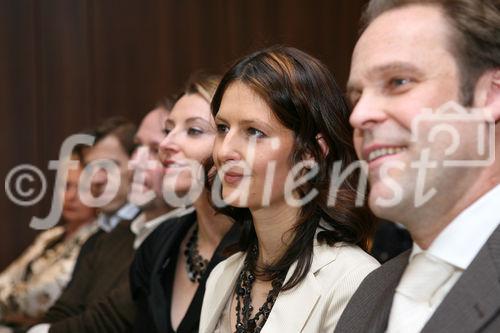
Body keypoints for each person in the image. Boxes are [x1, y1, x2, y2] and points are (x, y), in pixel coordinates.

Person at [335, 1, 500, 332]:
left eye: (398, 82)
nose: (358, 115)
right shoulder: (369, 295)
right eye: (356, 96)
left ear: (490, 96)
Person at [199, 46, 379, 333]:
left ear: (310, 154)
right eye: (222, 128)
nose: (225, 150)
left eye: (254, 132)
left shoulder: (354, 280)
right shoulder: (222, 276)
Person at [28, 103, 191, 333]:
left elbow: (111, 320)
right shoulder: (107, 236)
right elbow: (64, 309)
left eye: (109, 166)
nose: (96, 179)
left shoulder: (170, 238)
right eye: (91, 168)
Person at [130, 73, 241, 333]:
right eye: (168, 130)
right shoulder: (157, 243)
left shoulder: (260, 250)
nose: (166, 144)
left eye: (194, 130)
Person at [0, 147, 97, 330]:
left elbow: (42, 297)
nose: (71, 197)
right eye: (66, 186)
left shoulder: (96, 241)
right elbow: (8, 277)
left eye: (83, 188)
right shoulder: (50, 236)